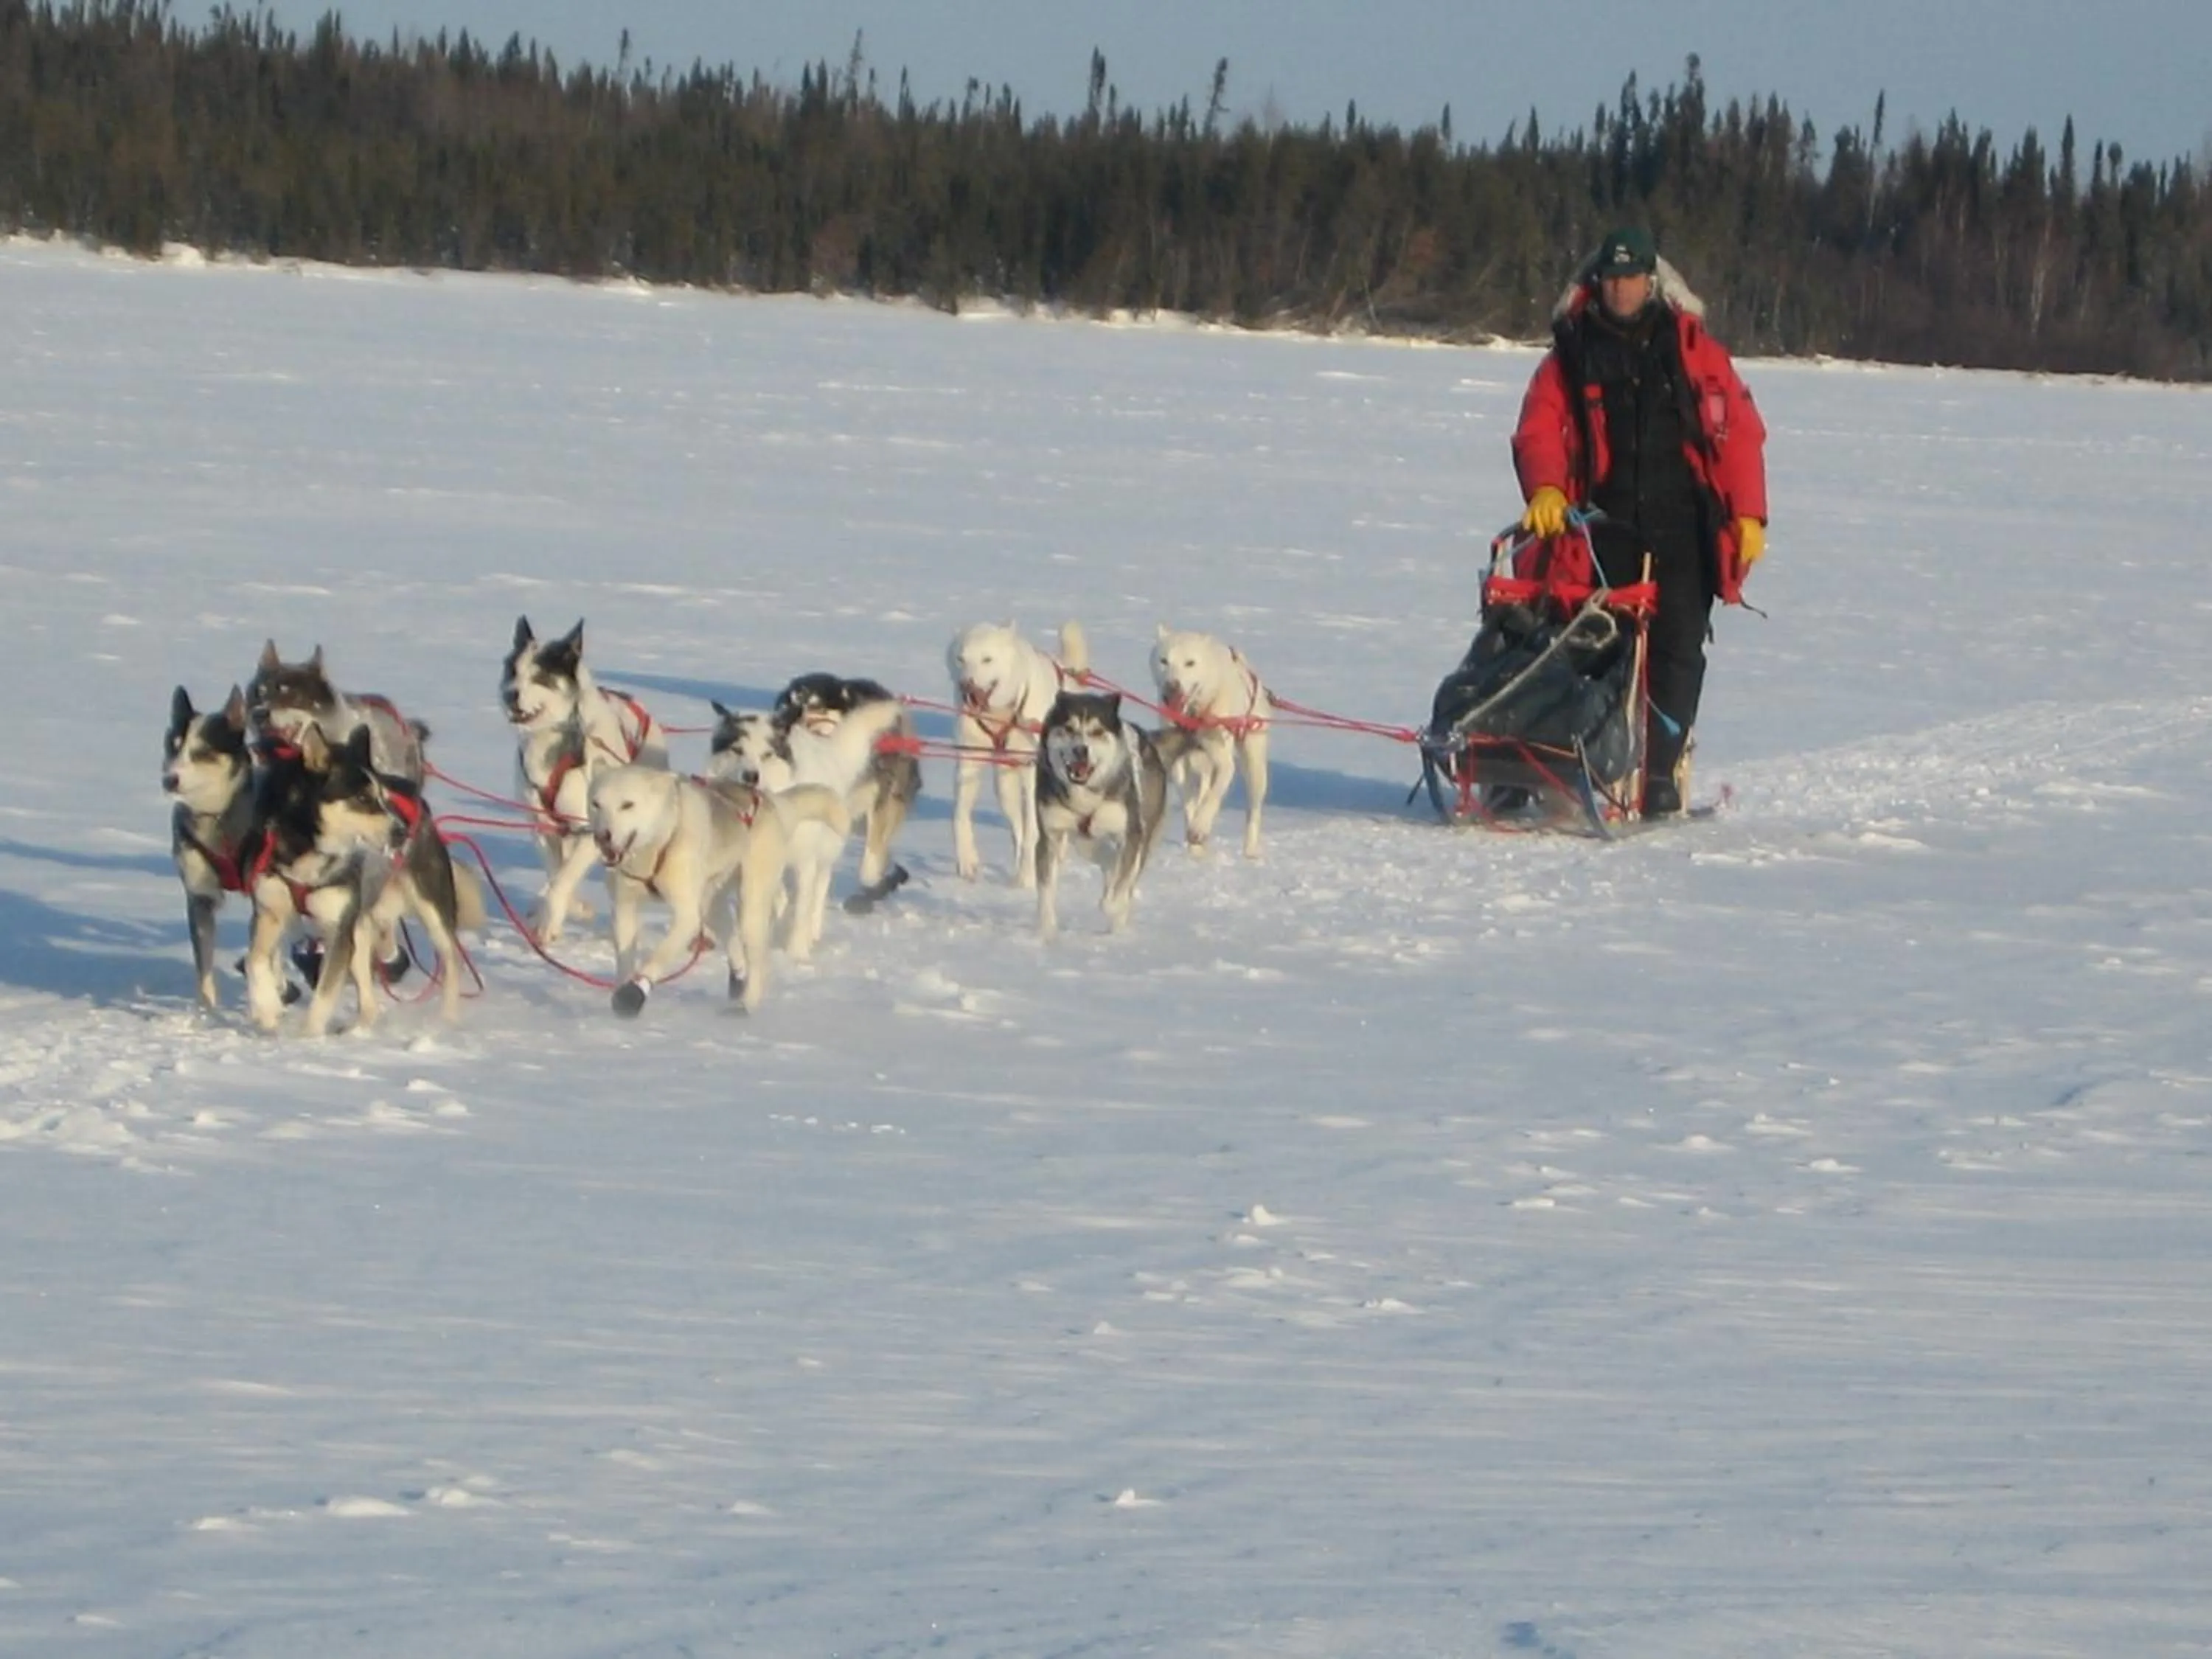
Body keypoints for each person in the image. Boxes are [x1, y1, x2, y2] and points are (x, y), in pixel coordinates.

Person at [1509, 226, 1767, 815]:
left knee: (1676, 651)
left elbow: (1739, 434)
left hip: (1683, 526)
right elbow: (1539, 425)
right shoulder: (1572, 351)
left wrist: (1748, 513)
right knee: (1593, 646)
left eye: (1631, 277)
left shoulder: (1692, 348)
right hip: (1603, 525)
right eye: (1611, 278)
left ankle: (1661, 775)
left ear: (1652, 280)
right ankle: (1575, 761)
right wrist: (1547, 486)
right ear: (1597, 281)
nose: (1620, 289)